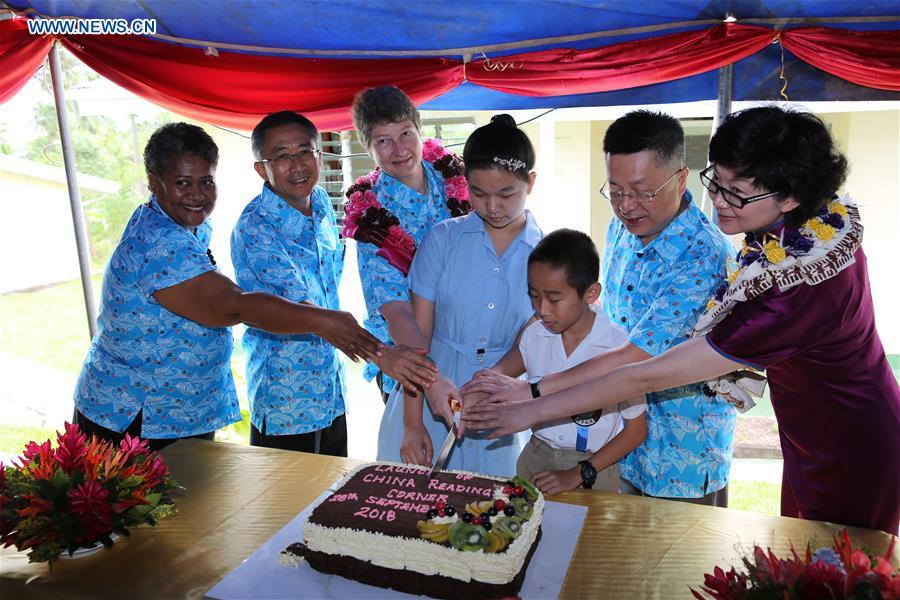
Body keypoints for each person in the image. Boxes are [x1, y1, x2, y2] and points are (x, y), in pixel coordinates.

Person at [464, 106, 900, 534]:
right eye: (719, 182)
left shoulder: (785, 288)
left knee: (838, 566)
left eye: (738, 193)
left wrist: (533, 402)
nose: (721, 202)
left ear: (791, 195)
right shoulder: (788, 230)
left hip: (835, 446)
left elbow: (639, 370)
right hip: (785, 436)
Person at [463, 111, 735, 505]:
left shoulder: (702, 256)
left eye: (642, 192)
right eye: (616, 191)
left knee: (669, 564)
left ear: (679, 179)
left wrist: (533, 394)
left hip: (678, 459)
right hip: (613, 446)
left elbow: (635, 358)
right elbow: (601, 328)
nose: (627, 206)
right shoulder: (623, 229)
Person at [74, 122, 381, 451]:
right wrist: (324, 321)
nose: (196, 194)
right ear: (154, 182)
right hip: (133, 415)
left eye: (206, 181)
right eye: (182, 183)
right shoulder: (158, 242)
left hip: (181, 411)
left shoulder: (182, 222)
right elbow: (233, 304)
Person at [377, 114, 542, 477]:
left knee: (491, 517)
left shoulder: (545, 255)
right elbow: (417, 343)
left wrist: (486, 384)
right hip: (430, 389)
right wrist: (412, 422)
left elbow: (530, 341)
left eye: (506, 193)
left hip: (497, 400)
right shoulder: (442, 240)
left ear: (530, 183)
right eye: (479, 193)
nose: (492, 206)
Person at [512, 229, 647, 495]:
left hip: (594, 470)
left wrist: (578, 473)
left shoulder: (619, 349)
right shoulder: (533, 336)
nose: (542, 309)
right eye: (534, 295)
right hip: (535, 461)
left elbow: (636, 431)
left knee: (588, 537)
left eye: (554, 298)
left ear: (590, 293)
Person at [347, 85, 458, 406]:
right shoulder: (370, 217)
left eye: (406, 134)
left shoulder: (452, 175)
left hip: (465, 342)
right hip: (408, 356)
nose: (400, 150)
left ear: (420, 129)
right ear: (369, 149)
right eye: (384, 141)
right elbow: (395, 309)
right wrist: (429, 376)